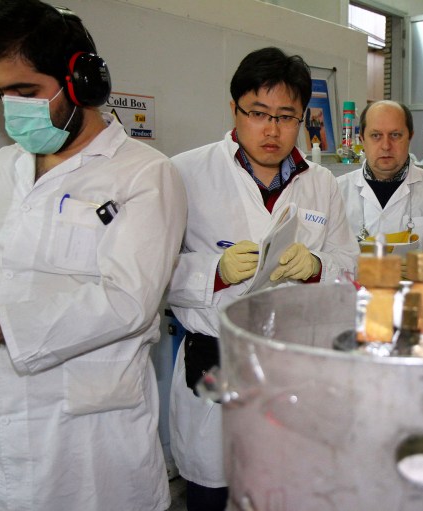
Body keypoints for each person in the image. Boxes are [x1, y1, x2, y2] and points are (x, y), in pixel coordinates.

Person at [0, 1, 187, 509]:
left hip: (92, 436)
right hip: (2, 418)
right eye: (0, 94)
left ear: (80, 82)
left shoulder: (144, 174)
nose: (12, 108)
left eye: (26, 91)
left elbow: (127, 301)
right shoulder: (7, 165)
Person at [166, 47, 359, 511]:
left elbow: (349, 265)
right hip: (217, 363)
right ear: (234, 109)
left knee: (290, 490)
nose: (272, 130)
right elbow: (152, 273)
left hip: (296, 366)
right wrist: (214, 272)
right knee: (215, 489)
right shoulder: (184, 172)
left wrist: (317, 267)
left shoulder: (321, 183)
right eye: (258, 113)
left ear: (302, 119)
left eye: (286, 116)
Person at [337, 100, 423, 253]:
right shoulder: (338, 191)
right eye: (376, 135)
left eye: (395, 135)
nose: (386, 146)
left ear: (410, 137)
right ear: (362, 139)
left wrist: (418, 263)